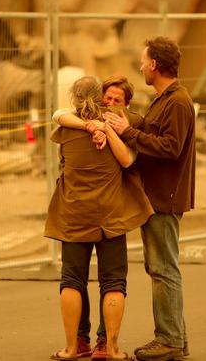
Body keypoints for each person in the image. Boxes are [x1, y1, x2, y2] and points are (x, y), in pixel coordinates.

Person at [44, 76, 153, 361]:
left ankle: (72, 347)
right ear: (101, 96)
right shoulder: (115, 124)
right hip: (110, 216)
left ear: (74, 98)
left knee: (71, 280)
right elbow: (128, 161)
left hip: (74, 214)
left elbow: (58, 116)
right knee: (114, 282)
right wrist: (102, 126)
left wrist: (90, 124)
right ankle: (110, 348)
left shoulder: (65, 129)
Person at [104, 36, 196, 361]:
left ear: (154, 65)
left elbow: (170, 147)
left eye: (144, 61)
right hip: (156, 195)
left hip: (164, 198)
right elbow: (156, 132)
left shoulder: (178, 101)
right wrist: (129, 120)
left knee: (163, 269)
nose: (141, 66)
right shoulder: (164, 99)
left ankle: (168, 339)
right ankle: (177, 338)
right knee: (161, 267)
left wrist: (128, 132)